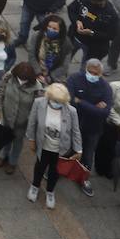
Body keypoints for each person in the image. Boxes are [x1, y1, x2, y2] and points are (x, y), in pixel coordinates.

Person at [26, 81, 82, 210]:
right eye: (55, 100)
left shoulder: (71, 111)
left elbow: (75, 131)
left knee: (55, 170)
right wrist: (32, 139)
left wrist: (79, 149)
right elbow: (32, 122)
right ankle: (35, 186)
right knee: (39, 167)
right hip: (44, 145)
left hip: (60, 149)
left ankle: (50, 191)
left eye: (60, 101)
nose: (57, 103)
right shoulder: (39, 103)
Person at [66, 58, 113, 195]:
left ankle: (84, 178)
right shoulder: (74, 79)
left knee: (88, 154)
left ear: (101, 74)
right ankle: (58, 169)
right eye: (90, 71)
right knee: (66, 148)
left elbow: (104, 112)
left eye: (96, 73)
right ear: (85, 69)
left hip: (93, 128)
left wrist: (81, 102)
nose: (92, 75)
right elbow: (70, 101)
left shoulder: (105, 87)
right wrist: (94, 107)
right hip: (74, 123)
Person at [0, 62, 43, 174]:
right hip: (6, 116)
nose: (21, 81)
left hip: (22, 122)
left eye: (24, 79)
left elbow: (38, 107)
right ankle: (3, 155)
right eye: (20, 78)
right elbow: (0, 92)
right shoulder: (8, 77)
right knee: (5, 137)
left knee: (18, 141)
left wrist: (30, 122)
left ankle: (13, 162)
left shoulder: (37, 88)